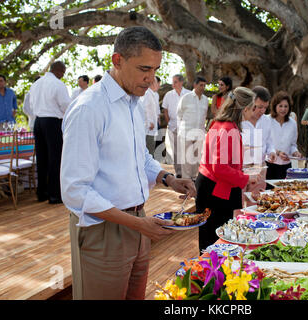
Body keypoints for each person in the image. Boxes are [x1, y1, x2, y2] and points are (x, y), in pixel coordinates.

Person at [60, 26, 196, 300]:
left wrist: (167, 179)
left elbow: (139, 158)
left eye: (156, 70)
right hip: (104, 230)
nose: (151, 78)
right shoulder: (89, 107)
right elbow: (75, 190)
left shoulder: (134, 101)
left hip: (138, 220)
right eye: (144, 68)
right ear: (117, 60)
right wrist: (135, 224)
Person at [196, 86, 258, 252]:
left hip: (213, 186)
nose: (254, 112)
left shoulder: (222, 124)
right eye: (253, 108)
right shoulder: (227, 128)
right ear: (244, 108)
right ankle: (208, 276)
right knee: (213, 241)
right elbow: (220, 168)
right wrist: (245, 178)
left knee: (213, 238)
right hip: (214, 190)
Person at [29, 61, 71, 204]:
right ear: (59, 71)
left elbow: (29, 105)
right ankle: (54, 195)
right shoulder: (58, 84)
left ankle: (42, 193)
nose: (63, 76)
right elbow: (66, 105)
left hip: (38, 122)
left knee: (41, 159)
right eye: (63, 73)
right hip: (52, 122)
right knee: (55, 158)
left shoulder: (36, 84)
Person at [241, 86, 276, 196]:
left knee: (256, 202)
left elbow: (269, 142)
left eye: (265, 107)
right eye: (259, 107)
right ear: (251, 103)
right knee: (238, 202)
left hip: (260, 167)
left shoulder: (267, 120)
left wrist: (272, 152)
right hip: (242, 168)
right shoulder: (240, 121)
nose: (262, 110)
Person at [177, 76, 209, 181]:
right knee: (186, 158)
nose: (203, 87)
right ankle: (186, 180)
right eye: (201, 85)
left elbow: (204, 116)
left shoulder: (205, 100)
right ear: (195, 85)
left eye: (204, 85)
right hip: (186, 132)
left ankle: (195, 179)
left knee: (197, 157)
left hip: (199, 132)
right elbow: (179, 114)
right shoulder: (186, 98)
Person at [265, 91, 301, 180]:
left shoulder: (292, 123)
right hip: (270, 165)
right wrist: (277, 152)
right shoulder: (266, 120)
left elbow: (293, 144)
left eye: (286, 106)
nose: (283, 109)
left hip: (286, 167)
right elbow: (263, 144)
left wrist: (295, 152)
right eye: (280, 106)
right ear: (275, 106)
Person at [162, 74, 191, 177]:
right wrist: (168, 121)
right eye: (172, 82)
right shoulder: (168, 95)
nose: (173, 84)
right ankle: (178, 173)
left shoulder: (189, 94)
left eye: (175, 82)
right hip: (173, 126)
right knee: (176, 151)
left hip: (186, 127)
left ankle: (187, 173)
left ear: (181, 82)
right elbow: (165, 109)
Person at [139, 75, 160, 156]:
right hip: (148, 128)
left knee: (151, 150)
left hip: (152, 128)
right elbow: (143, 109)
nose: (157, 84)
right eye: (155, 82)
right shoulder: (147, 94)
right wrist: (149, 123)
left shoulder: (153, 94)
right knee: (148, 151)